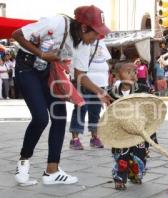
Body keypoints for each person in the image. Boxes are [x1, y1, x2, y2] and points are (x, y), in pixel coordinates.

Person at [12, 5, 112, 186]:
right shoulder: (57, 23)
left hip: (49, 73)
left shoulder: (82, 43)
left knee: (59, 118)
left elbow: (80, 74)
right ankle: (24, 161)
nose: (97, 37)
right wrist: (42, 54)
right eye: (96, 33)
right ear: (83, 28)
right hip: (26, 68)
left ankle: (52, 171)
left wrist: (100, 92)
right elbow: (17, 34)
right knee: (41, 118)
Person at [108, 61, 157, 190]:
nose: (132, 74)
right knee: (121, 155)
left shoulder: (144, 90)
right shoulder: (111, 93)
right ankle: (119, 178)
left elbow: (151, 110)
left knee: (140, 154)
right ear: (117, 76)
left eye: (134, 72)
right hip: (121, 130)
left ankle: (135, 174)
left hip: (139, 130)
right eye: (127, 72)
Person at [69, 39, 111, 150]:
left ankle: (94, 137)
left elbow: (106, 61)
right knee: (81, 109)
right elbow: (74, 61)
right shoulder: (81, 42)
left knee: (96, 110)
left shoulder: (101, 42)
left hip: (100, 84)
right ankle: (75, 139)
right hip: (85, 82)